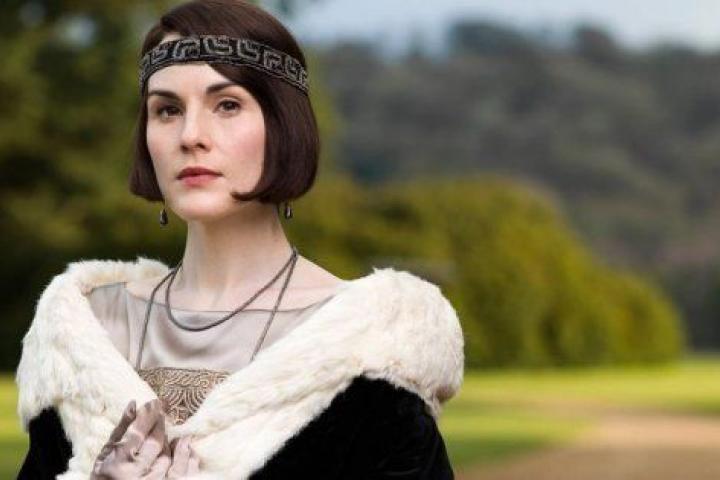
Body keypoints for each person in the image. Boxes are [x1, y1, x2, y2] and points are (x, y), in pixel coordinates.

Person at [14, 0, 465, 478]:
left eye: (227, 105)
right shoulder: (83, 333)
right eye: (167, 110)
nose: (190, 135)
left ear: (283, 125)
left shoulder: (368, 350)